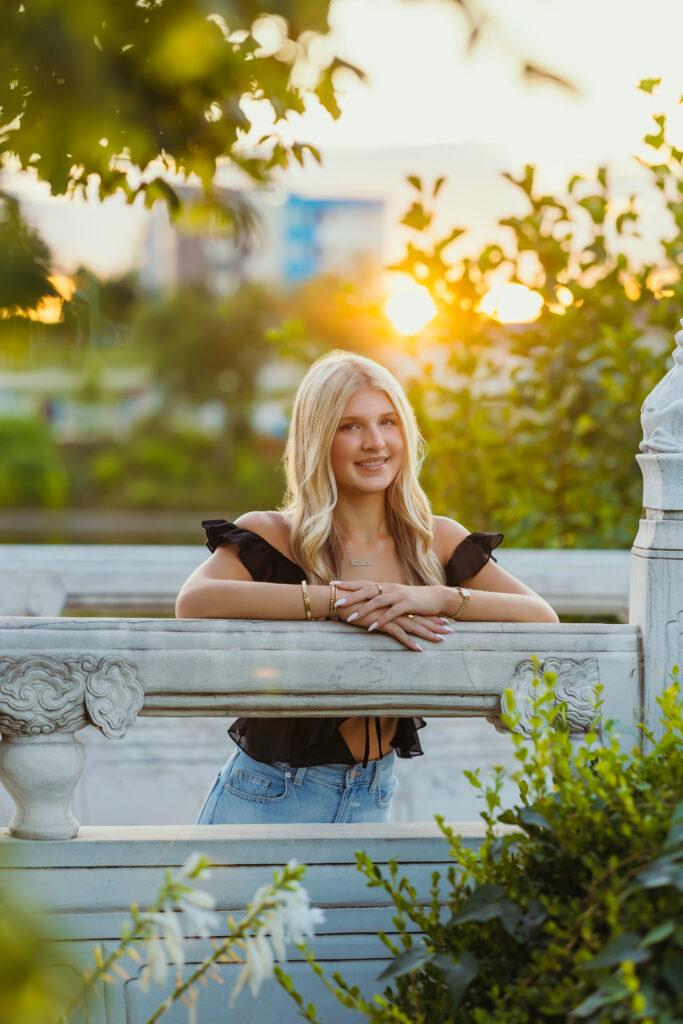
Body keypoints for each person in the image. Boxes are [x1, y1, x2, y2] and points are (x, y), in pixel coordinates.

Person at [175, 350, 559, 825]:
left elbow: (542, 618)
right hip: (268, 796)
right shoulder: (272, 535)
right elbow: (193, 603)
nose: (375, 442)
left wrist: (435, 596)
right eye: (350, 426)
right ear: (318, 439)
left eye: (388, 421)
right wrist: (336, 603)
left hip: (372, 795)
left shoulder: (433, 540)